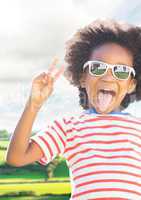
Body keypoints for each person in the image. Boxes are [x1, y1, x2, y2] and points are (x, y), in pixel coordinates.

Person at [6, 19, 141, 199]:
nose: (108, 77)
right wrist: (33, 104)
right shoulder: (68, 127)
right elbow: (17, 157)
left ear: (131, 84)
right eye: (98, 68)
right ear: (83, 78)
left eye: (121, 71)